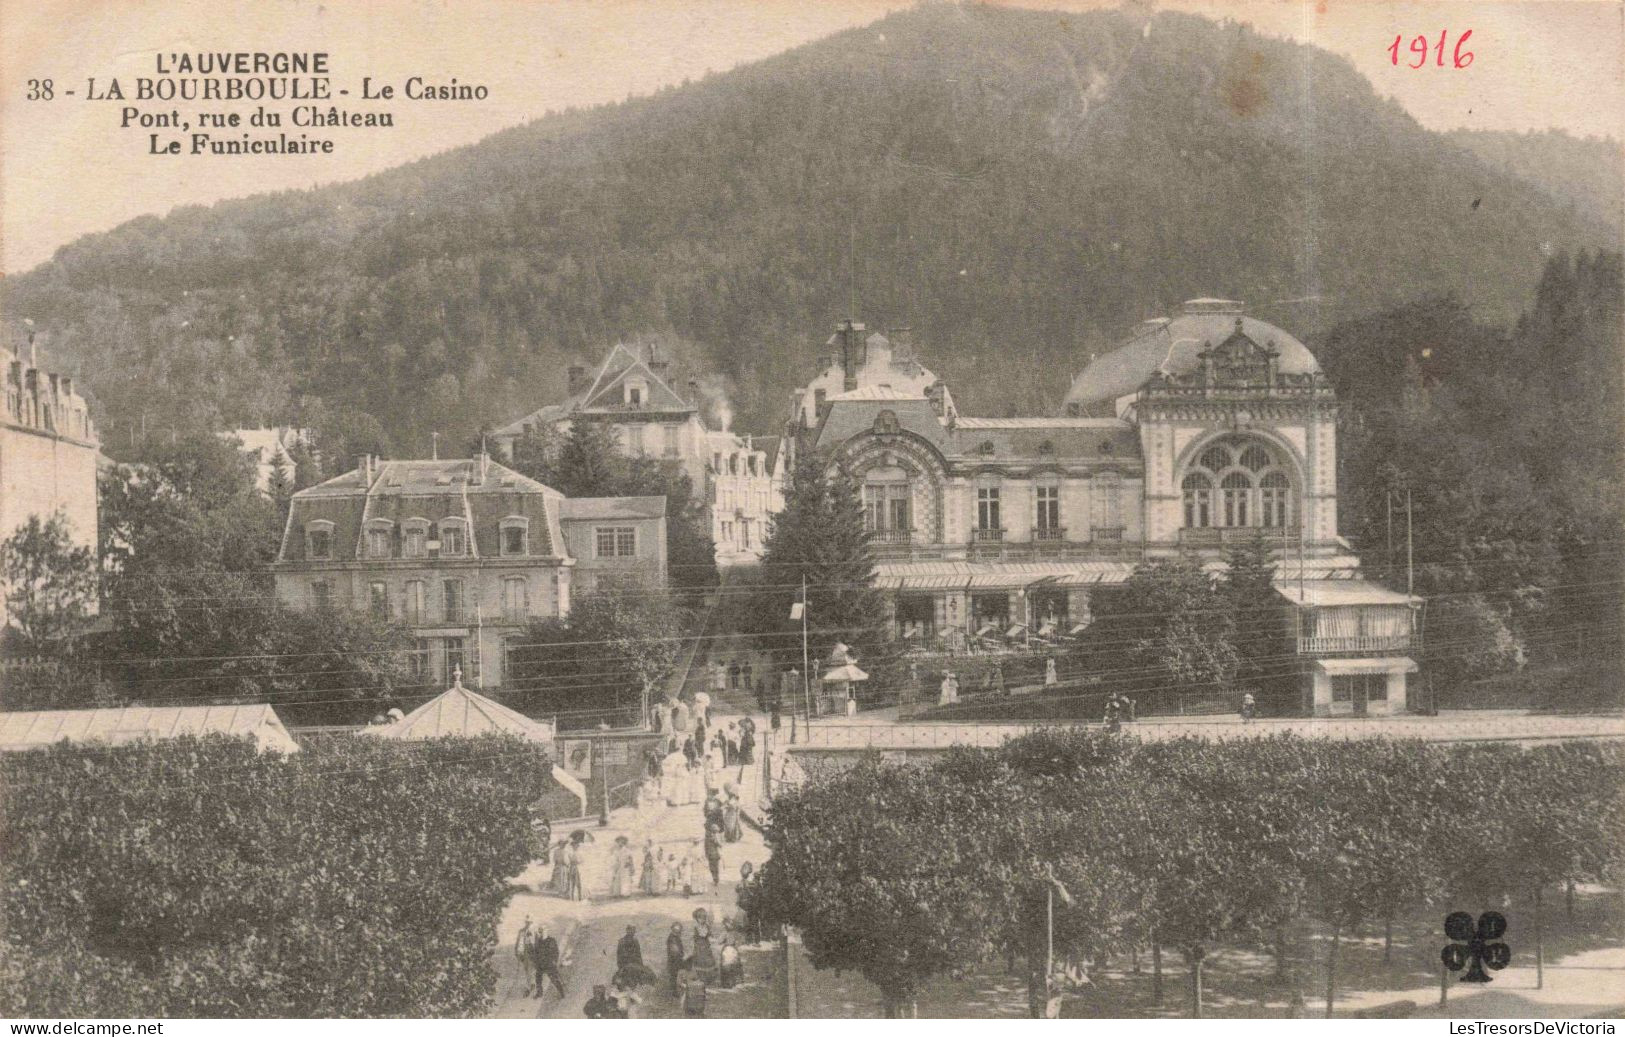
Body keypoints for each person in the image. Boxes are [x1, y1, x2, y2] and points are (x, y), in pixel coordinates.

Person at [532, 923, 566, 1000]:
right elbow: (535, 953)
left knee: (554, 979)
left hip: (549, 964)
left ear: (546, 931)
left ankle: (561, 992)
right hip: (540, 964)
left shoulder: (551, 940)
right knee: (538, 978)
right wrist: (536, 963)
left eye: (543, 931)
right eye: (540, 931)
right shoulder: (538, 942)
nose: (541, 933)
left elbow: (556, 952)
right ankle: (539, 992)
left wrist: (554, 961)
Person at [514, 916, 537, 996]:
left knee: (532, 969)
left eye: (530, 923)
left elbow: (536, 943)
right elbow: (518, 941)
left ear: (532, 923)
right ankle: (530, 985)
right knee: (527, 970)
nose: (528, 924)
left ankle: (530, 985)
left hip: (532, 953)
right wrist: (516, 951)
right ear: (525, 923)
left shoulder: (534, 931)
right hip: (525, 953)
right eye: (527, 922)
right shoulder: (521, 931)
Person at [665, 922, 687, 995]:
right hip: (674, 960)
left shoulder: (676, 937)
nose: (679, 932)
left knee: (676, 974)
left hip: (677, 959)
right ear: (673, 929)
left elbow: (679, 949)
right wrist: (682, 956)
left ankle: (677, 989)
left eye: (679, 930)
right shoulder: (672, 938)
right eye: (677, 930)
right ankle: (674, 992)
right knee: (674, 975)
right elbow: (674, 950)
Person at [704, 821, 723, 890]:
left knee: (716, 868)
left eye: (715, 831)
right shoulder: (707, 837)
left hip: (716, 855)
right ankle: (714, 878)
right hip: (710, 855)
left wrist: (715, 841)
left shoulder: (718, 836)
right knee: (711, 868)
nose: (714, 832)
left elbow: (721, 845)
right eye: (713, 831)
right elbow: (705, 846)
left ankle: (716, 880)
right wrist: (706, 854)